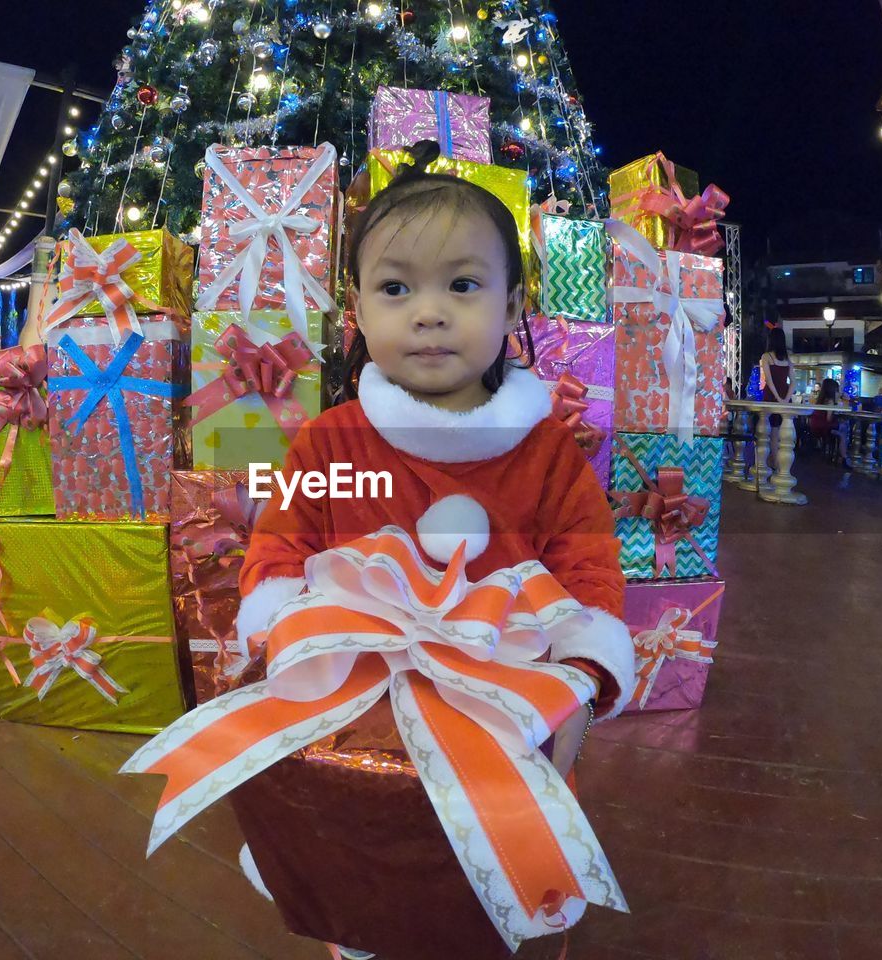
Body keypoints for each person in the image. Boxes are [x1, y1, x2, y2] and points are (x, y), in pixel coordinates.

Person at [224, 142, 633, 960]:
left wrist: (580, 671)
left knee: (495, 884)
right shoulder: (330, 444)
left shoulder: (546, 452)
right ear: (358, 308)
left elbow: (589, 567)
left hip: (503, 726)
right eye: (396, 287)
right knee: (361, 874)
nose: (429, 312)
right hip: (356, 725)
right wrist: (286, 625)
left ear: (514, 303)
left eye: (463, 285)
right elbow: (278, 548)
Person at [758, 326, 794, 468]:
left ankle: (775, 462)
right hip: (785, 396)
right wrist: (785, 399)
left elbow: (769, 380)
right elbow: (793, 382)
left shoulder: (766, 357)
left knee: (772, 431)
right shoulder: (787, 359)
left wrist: (778, 398)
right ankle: (783, 463)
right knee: (784, 431)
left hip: (771, 397)